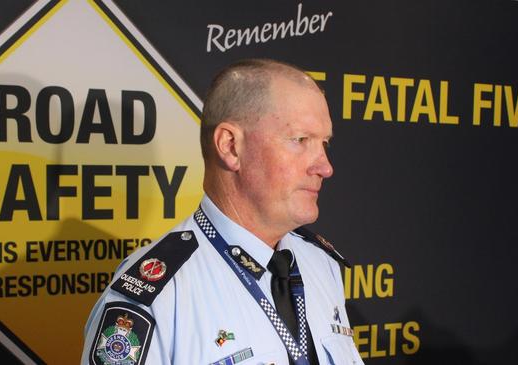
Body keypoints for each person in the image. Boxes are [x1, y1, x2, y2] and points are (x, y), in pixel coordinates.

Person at [81, 59, 364, 365]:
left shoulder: (320, 265)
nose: (325, 166)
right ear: (230, 146)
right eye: (300, 140)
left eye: (324, 143)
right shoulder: (159, 296)